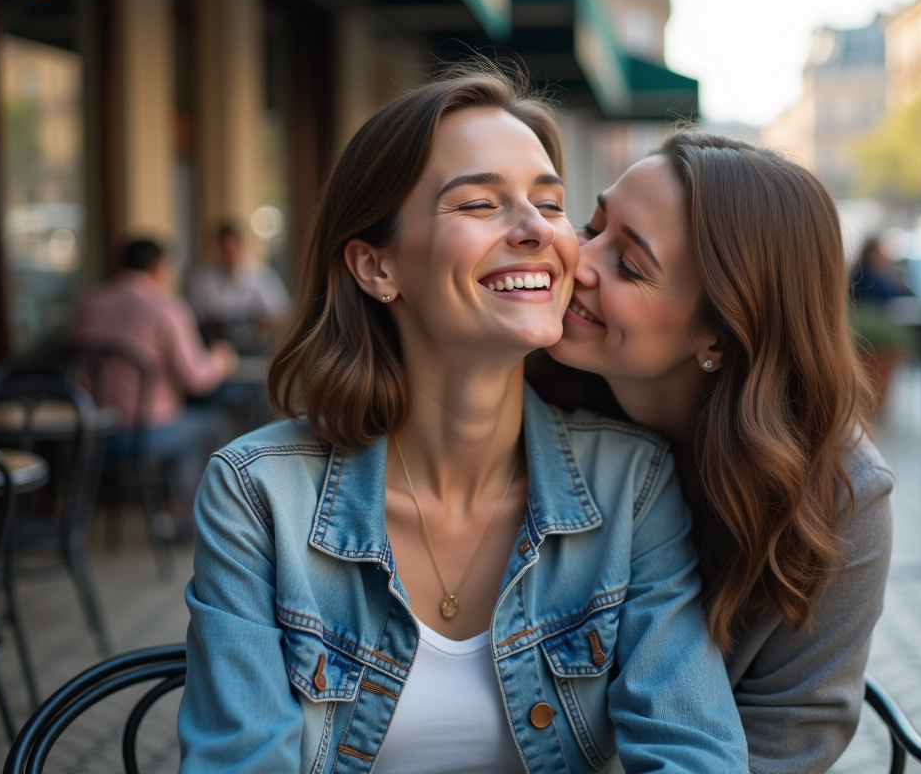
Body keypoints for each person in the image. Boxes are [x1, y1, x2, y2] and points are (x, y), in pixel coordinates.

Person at [177, 69, 747, 773]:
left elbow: (692, 752)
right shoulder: (257, 496)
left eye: (550, 204)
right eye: (479, 203)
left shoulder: (631, 484)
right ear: (376, 266)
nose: (538, 230)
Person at [534, 130, 894, 774]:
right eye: (591, 227)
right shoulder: (522, 391)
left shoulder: (837, 492)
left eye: (629, 264)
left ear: (722, 334)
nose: (580, 261)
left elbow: (787, 738)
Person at [72, 238, 237, 536]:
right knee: (212, 424)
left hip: (94, 431)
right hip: (144, 434)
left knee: (192, 420)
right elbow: (198, 379)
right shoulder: (166, 309)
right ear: (158, 268)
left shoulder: (88, 302)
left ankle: (168, 507)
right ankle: (180, 513)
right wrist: (221, 360)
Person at [187, 220, 291, 352]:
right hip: (215, 349)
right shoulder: (202, 278)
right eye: (225, 246)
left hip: (256, 348)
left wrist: (258, 322)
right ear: (218, 247)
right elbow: (194, 317)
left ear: (242, 244)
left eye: (234, 245)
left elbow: (281, 315)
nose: (230, 252)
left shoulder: (262, 276)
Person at [850, 235, 909, 304]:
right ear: (870, 255)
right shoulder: (865, 276)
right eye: (878, 254)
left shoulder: (872, 272)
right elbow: (887, 295)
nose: (882, 257)